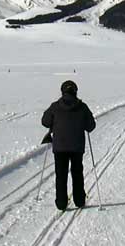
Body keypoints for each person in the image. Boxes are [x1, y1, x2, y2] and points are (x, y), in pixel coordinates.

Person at [41, 80, 96, 211]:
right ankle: (79, 201)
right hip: (77, 147)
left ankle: (61, 203)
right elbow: (91, 126)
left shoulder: (55, 106)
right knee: (77, 173)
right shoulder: (82, 107)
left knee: (61, 174)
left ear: (62, 91)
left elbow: (45, 122)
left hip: (59, 147)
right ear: (75, 91)